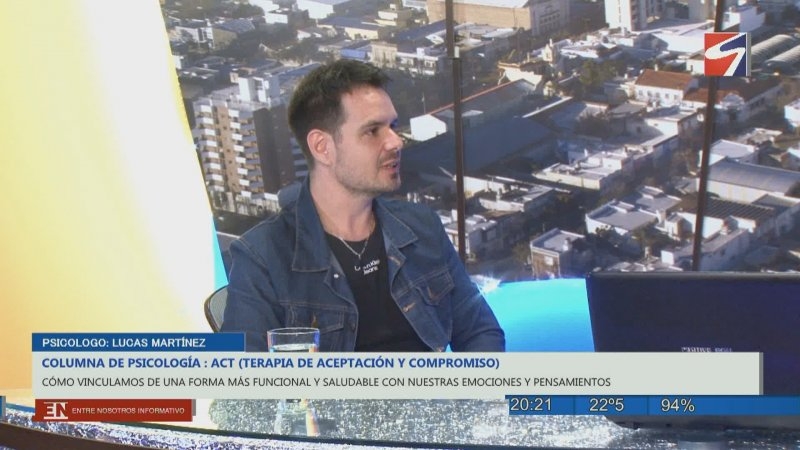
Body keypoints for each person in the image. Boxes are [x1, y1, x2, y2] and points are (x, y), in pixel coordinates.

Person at [221, 59, 505, 352]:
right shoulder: (263, 257)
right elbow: (242, 375)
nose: (396, 142)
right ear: (322, 147)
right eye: (372, 131)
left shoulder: (422, 227)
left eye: (392, 126)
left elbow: (480, 331)